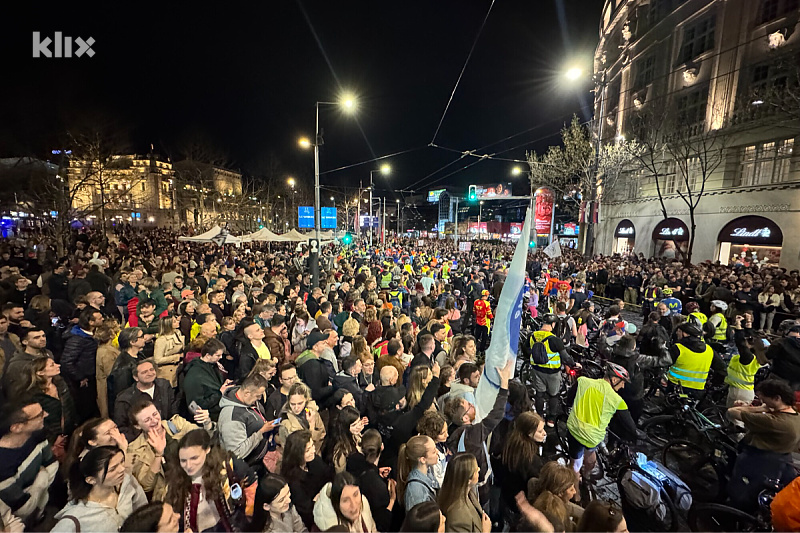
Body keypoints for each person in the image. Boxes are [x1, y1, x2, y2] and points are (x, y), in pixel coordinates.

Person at [443, 358, 513, 505]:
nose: (473, 405)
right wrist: (504, 385)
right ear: (465, 418)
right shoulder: (472, 434)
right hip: (480, 491)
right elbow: (497, 414)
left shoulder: (454, 432)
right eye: (470, 405)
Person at [726, 379, 800, 511]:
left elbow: (732, 412)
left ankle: (732, 512)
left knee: (740, 489)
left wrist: (759, 408)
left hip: (757, 458)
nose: (763, 402)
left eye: (764, 399)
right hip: (781, 460)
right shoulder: (795, 416)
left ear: (776, 398)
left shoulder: (773, 421)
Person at [164, 428, 256, 532]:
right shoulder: (176, 478)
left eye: (194, 458)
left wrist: (248, 520)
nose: (189, 465)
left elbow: (251, 485)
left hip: (229, 527)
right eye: (183, 461)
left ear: (207, 450)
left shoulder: (226, 467)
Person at [126, 396, 214, 501]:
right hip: (171, 494)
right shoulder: (135, 449)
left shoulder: (176, 424)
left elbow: (204, 438)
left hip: (197, 478)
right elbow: (147, 486)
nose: (154, 420)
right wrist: (158, 454)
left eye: (155, 414)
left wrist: (207, 422)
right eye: (147, 420)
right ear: (137, 426)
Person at [51, 446, 148, 532]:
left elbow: (144, 513)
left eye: (122, 462)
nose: (122, 469)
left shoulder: (126, 484)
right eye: (112, 469)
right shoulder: (75, 518)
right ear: (91, 480)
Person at [566, 363, 636, 479]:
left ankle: (576, 493)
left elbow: (569, 399)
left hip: (574, 431)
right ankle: (586, 476)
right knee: (590, 459)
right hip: (592, 439)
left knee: (575, 464)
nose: (623, 386)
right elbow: (630, 426)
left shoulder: (582, 381)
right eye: (622, 382)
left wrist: (569, 407)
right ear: (614, 379)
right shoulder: (618, 401)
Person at [0, 399, 58, 526]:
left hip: (41, 510)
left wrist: (35, 495)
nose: (46, 414)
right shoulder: (3, 465)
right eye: (39, 415)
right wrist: (41, 479)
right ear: (17, 427)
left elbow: (52, 464)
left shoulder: (37, 435)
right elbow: (23, 509)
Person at [218, 373, 279, 468]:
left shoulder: (247, 400)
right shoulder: (232, 418)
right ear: (247, 393)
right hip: (247, 467)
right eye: (257, 396)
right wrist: (261, 432)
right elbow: (237, 453)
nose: (259, 399)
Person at [16, 356, 77, 450]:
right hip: (49, 440)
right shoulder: (32, 395)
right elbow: (36, 421)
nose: (58, 365)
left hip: (68, 434)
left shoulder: (60, 383)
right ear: (40, 372)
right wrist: (53, 438)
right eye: (52, 365)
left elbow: (70, 407)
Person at [527, 314, 577, 426]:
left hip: (536, 370)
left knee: (539, 394)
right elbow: (565, 357)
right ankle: (551, 419)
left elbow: (526, 350)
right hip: (552, 373)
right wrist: (574, 364)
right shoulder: (555, 340)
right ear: (553, 324)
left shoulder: (532, 335)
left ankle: (539, 417)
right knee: (553, 395)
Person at [113, 358, 179, 442]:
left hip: (169, 433)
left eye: (151, 369)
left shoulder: (164, 385)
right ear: (136, 377)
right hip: (143, 441)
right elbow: (122, 427)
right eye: (144, 372)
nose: (150, 373)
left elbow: (174, 408)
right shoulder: (124, 399)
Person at [280, 429, 333, 530]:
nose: (313, 450)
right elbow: (306, 511)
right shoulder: (292, 480)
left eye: (312, 446)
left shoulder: (315, 461)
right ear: (297, 453)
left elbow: (329, 478)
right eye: (308, 450)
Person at [346, 429, 396, 533]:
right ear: (381, 447)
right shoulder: (379, 488)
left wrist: (376, 471)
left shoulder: (352, 460)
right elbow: (382, 524)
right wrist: (392, 499)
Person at [496, 411, 546, 513]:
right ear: (529, 433)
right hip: (522, 504)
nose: (545, 433)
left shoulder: (511, 441)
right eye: (540, 431)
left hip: (508, 496)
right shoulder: (531, 459)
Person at [61, 308, 104, 422]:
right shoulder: (76, 340)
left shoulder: (92, 335)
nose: (103, 319)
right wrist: (80, 377)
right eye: (99, 318)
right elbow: (66, 362)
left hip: (92, 377)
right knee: (86, 410)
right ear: (91, 322)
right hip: (84, 383)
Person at [667, 321, 726, 398]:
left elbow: (663, 362)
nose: (677, 334)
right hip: (698, 391)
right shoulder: (709, 350)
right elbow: (722, 369)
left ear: (684, 334)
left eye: (678, 331)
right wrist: (713, 384)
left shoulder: (678, 348)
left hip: (675, 388)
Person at [437, 452, 490, 533]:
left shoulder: (468, 492)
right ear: (468, 479)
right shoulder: (458, 516)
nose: (479, 469)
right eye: (475, 469)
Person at [183, 338, 228, 421]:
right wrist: (219, 393)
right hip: (208, 418)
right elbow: (196, 405)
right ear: (207, 355)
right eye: (218, 355)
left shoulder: (212, 365)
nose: (221, 357)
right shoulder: (194, 376)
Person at [278, 381, 326, 451]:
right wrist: (312, 427)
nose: (296, 408)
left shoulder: (312, 411)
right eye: (293, 404)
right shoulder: (285, 422)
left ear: (306, 400)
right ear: (288, 402)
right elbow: (291, 449)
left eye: (300, 403)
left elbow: (322, 433)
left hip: (316, 452)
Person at [295, 330, 335, 409]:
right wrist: (331, 388)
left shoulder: (310, 359)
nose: (326, 344)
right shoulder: (312, 365)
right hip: (316, 405)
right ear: (315, 347)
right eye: (323, 343)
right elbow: (315, 392)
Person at [321, 406, 364, 473]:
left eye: (359, 421)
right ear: (346, 427)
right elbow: (341, 474)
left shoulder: (356, 435)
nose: (359, 426)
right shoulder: (340, 450)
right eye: (354, 425)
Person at [153, 315, 184, 386]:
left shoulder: (177, 333)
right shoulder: (161, 340)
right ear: (168, 325)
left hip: (179, 368)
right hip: (167, 371)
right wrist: (176, 357)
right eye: (174, 322)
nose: (178, 322)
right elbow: (157, 360)